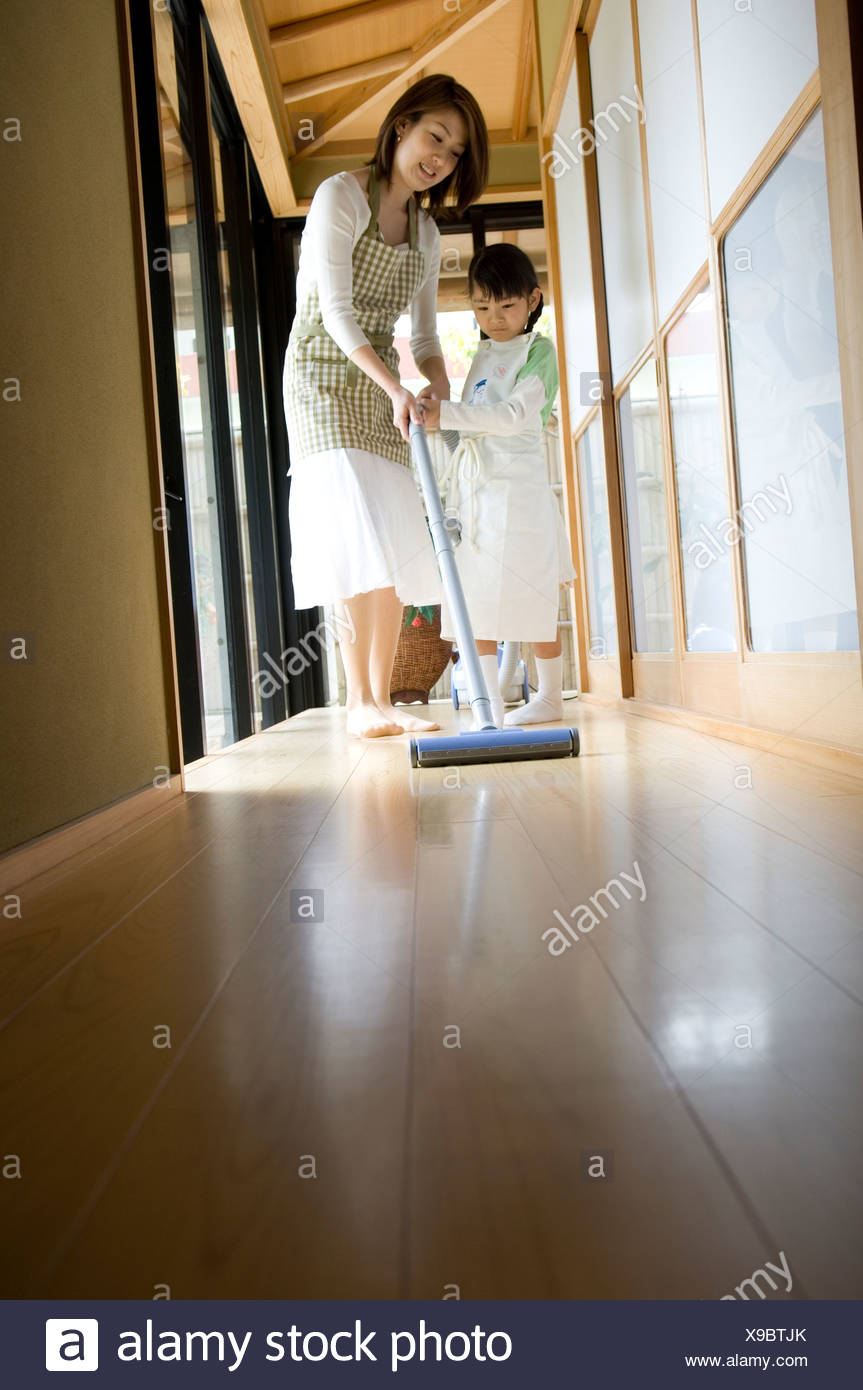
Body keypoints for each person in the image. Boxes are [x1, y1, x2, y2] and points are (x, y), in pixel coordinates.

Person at [282, 75, 489, 739]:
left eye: (455, 152)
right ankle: (358, 702)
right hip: (322, 373)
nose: (441, 158)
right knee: (354, 530)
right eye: (435, 137)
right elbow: (336, 312)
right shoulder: (340, 196)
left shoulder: (426, 234)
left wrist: (437, 389)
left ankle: (382, 698)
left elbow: (425, 339)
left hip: (382, 386)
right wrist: (394, 385)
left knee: (392, 539)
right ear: (402, 125)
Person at [420, 244, 575, 727]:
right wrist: (436, 420)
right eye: (483, 307)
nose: (495, 318)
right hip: (477, 499)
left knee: (534, 595)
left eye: (506, 305)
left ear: (532, 300)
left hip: (521, 495)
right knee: (477, 600)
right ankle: (488, 704)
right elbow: (466, 430)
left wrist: (446, 414)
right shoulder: (483, 354)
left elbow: (512, 417)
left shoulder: (539, 352)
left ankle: (550, 696)